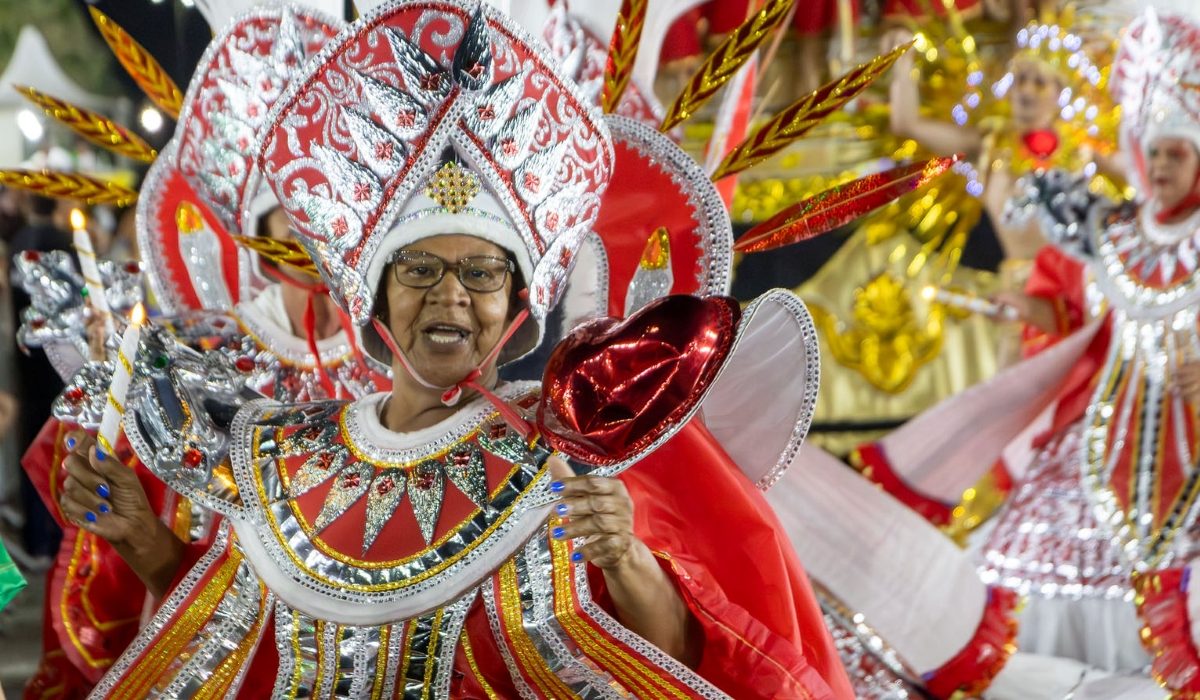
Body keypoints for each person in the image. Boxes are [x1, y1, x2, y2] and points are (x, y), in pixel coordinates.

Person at [55, 3, 853, 696]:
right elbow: (240, 642)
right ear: (373, 297)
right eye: (420, 270)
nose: (450, 296)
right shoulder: (283, 454)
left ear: (517, 303)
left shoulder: (573, 456)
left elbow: (681, 659)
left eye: (480, 272)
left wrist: (628, 559)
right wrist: (145, 541)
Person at [14, 8, 367, 698]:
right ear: (256, 224)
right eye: (293, 214)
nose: (314, 236)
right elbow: (117, 521)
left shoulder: (401, 361)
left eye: (335, 215)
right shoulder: (191, 353)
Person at [853, 8, 1200, 694]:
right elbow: (1080, 290)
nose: (1159, 166)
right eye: (1153, 151)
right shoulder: (1116, 229)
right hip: (1103, 418)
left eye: (1176, 152)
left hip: (1185, 432)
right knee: (1034, 535)